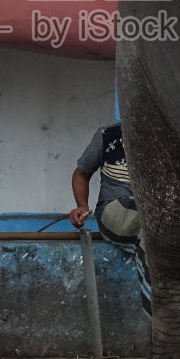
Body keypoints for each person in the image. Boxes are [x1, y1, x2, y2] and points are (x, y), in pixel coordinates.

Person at [69, 121, 151, 314]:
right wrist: (82, 205)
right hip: (113, 209)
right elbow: (81, 173)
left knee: (166, 230)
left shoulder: (169, 135)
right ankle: (162, 320)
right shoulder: (108, 134)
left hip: (153, 212)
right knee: (153, 228)